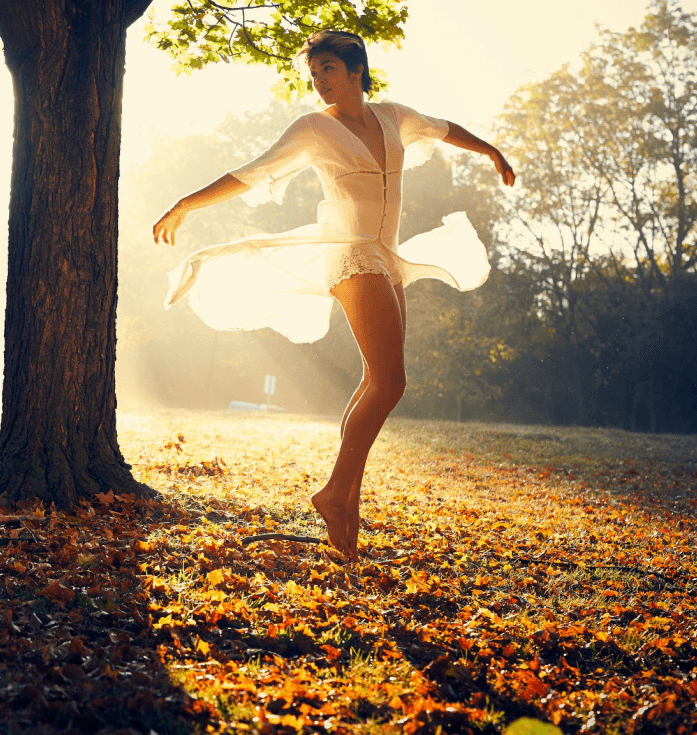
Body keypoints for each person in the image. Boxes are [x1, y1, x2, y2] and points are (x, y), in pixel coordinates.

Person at [152, 30, 515, 558]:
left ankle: (346, 500)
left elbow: (444, 128)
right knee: (392, 382)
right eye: (313, 72)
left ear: (355, 70)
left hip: (388, 258)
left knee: (378, 380)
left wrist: (492, 151)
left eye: (327, 69)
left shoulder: (392, 117)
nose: (318, 80)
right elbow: (251, 173)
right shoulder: (313, 129)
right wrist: (186, 202)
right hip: (352, 255)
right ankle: (334, 492)